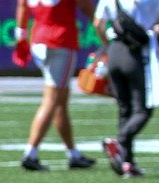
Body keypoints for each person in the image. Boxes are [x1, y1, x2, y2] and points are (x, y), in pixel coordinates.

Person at [12, 0, 97, 171]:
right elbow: (86, 5)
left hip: (39, 38)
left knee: (60, 100)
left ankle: (73, 153)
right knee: (52, 99)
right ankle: (30, 153)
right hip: (60, 40)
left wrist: (21, 36)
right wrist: (100, 26)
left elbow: (22, 5)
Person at [94, 0, 159, 177]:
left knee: (125, 109)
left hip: (115, 51)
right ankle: (120, 142)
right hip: (137, 53)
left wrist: (107, 46)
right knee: (143, 110)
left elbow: (98, 24)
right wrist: (154, 30)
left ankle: (127, 162)